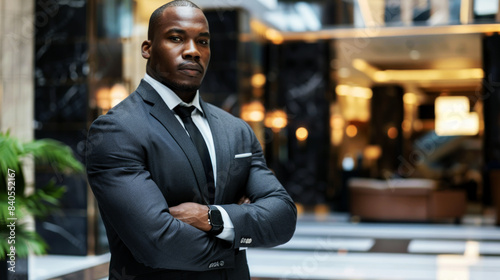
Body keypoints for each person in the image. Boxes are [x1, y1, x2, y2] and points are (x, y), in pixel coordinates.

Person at [85, 1, 297, 279]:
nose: (192, 51)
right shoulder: (117, 131)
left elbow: (282, 218)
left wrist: (212, 218)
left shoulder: (236, 130)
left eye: (203, 41)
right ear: (147, 48)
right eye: (176, 38)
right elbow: (158, 243)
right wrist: (239, 235)